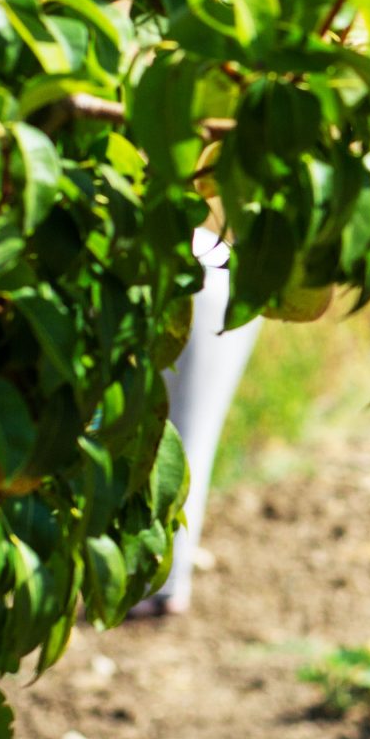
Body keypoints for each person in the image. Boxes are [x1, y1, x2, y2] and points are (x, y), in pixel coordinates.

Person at [131, 225, 263, 618]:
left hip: (196, 266)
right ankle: (163, 582)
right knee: (190, 434)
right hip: (224, 264)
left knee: (173, 436)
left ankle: (155, 583)